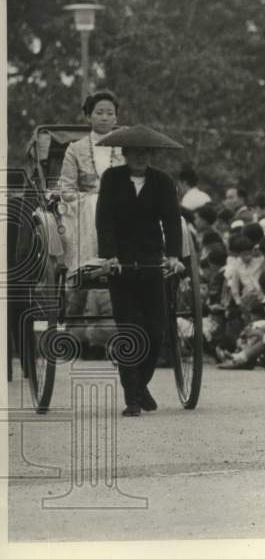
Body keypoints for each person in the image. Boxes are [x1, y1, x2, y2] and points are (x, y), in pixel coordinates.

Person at [94, 125, 185, 417]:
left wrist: (173, 256)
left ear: (151, 154)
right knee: (130, 330)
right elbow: (103, 219)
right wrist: (109, 256)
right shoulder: (111, 179)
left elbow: (172, 221)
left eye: (145, 153)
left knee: (156, 332)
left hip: (151, 261)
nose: (139, 157)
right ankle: (132, 398)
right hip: (120, 264)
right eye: (134, 152)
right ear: (125, 153)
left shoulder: (162, 182)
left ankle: (140, 385)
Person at [57, 90, 126, 313]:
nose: (104, 117)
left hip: (122, 203)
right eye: (99, 112)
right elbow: (66, 188)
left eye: (109, 113)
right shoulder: (75, 149)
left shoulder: (127, 147)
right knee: (96, 203)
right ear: (88, 117)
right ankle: (91, 262)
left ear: (116, 117)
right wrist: (93, 197)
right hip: (85, 205)